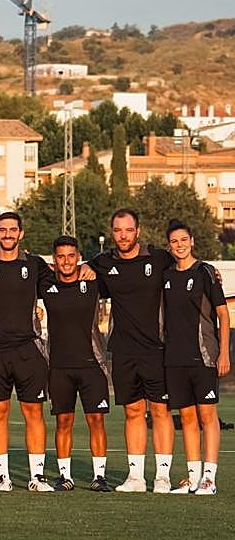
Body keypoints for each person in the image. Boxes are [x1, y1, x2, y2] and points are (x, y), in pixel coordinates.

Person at [0, 212, 55, 492]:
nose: (7, 234)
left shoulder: (35, 264)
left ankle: (36, 477)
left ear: (21, 233)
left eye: (12, 230)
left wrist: (86, 270)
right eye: (2, 230)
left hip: (29, 348)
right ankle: (2, 477)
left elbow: (63, 281)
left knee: (33, 413)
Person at [90, 209, 176, 492]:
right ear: (112, 232)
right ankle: (136, 477)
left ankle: (162, 476)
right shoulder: (103, 262)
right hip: (123, 350)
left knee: (160, 412)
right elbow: (76, 270)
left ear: (138, 231)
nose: (123, 235)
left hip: (157, 348)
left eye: (128, 230)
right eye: (117, 230)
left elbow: (187, 263)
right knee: (133, 412)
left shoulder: (159, 257)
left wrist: (209, 269)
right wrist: (83, 269)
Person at [40, 236, 112, 492]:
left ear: (78, 257)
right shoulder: (45, 284)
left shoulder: (93, 283)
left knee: (96, 421)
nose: (66, 261)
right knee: (63, 423)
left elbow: (115, 260)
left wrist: (91, 265)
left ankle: (99, 477)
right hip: (59, 367)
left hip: (92, 365)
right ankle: (64, 476)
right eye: (61, 256)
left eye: (71, 256)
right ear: (54, 260)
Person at [163, 220, 228, 495]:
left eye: (183, 240)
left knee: (207, 416)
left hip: (203, 356)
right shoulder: (166, 276)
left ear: (192, 241)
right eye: (174, 241)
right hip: (174, 358)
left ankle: (209, 479)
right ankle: (192, 477)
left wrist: (224, 352)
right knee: (187, 418)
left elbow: (223, 314)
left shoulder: (206, 273)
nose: (179, 245)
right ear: (170, 245)